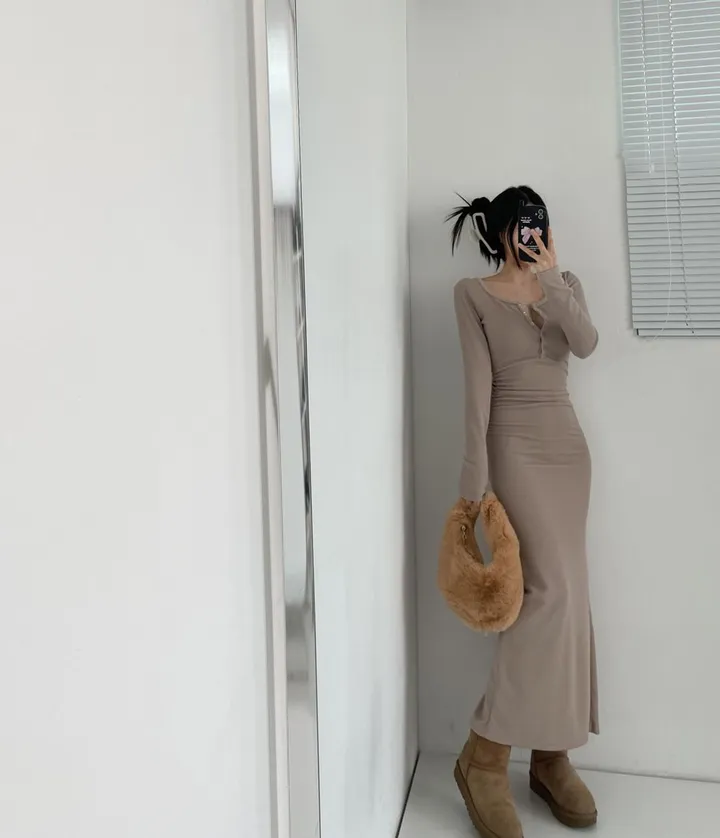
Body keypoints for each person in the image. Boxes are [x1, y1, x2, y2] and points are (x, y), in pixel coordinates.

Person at [448, 186, 599, 838]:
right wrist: (473, 488)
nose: (533, 231)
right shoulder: (472, 294)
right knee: (545, 593)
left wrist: (554, 279)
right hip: (513, 447)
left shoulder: (565, 284)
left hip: (568, 450)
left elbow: (586, 344)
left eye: (541, 221)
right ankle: (483, 755)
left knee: (570, 597)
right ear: (501, 229)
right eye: (523, 222)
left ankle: (550, 753)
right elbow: (476, 395)